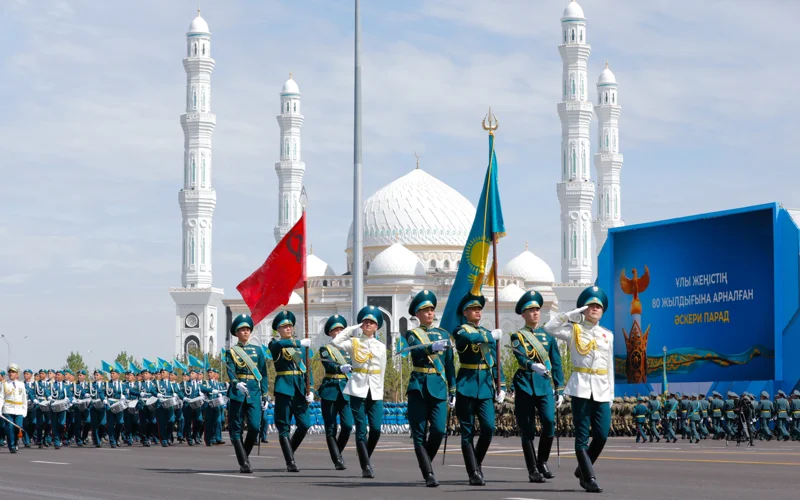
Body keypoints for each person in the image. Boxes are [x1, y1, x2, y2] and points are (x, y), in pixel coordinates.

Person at [543, 285, 614, 493]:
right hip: (581, 387)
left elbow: (608, 366)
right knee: (582, 436)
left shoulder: (606, 335)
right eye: (590, 305)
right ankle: (588, 477)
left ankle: (582, 468)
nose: (594, 309)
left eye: (598, 306)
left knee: (601, 435)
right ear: (583, 309)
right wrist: (569, 315)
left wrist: (611, 394)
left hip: (601, 388)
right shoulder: (574, 330)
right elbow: (549, 328)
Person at [509, 290, 564, 482]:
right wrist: (532, 365)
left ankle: (542, 461)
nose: (535, 313)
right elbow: (521, 357)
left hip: (543, 386)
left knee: (549, 423)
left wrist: (560, 388)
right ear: (523, 314)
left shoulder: (548, 337)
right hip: (525, 385)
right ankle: (532, 469)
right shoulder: (517, 336)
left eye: (537, 310)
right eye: (530, 310)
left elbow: (556, 362)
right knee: (528, 429)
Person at [452, 292, 505, 486]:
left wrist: (502, 383)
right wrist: (491, 336)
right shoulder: (460, 330)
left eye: (479, 309)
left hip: (484, 388)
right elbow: (469, 339)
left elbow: (494, 360)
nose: (478, 312)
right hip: (466, 385)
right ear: (465, 312)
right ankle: (473, 472)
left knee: (488, 428)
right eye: (474, 309)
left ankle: (476, 461)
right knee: (467, 432)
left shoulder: (485, 332)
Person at [404, 290, 456, 487]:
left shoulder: (444, 334)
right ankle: (428, 472)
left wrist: (453, 390)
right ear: (417, 314)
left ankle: (425, 461)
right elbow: (416, 351)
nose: (429, 313)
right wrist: (432, 348)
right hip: (419, 386)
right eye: (424, 310)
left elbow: (450, 365)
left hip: (438, 385)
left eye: (431, 310)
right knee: (418, 433)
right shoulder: (412, 334)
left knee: (438, 430)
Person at [332, 305, 387, 479]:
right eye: (365, 322)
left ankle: (365, 457)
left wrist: (381, 391)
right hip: (358, 389)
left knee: (377, 429)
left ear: (377, 326)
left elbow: (383, 370)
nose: (368, 324)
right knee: (361, 429)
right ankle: (366, 466)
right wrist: (353, 328)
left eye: (372, 322)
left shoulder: (380, 346)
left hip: (375, 390)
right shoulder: (354, 342)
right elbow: (336, 342)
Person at [269, 310, 315, 473]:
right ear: (278, 330)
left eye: (290, 326)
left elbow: (307, 369)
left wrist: (312, 389)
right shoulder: (275, 345)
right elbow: (279, 346)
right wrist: (299, 343)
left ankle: (289, 451)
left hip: (300, 389)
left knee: (304, 424)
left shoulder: (302, 347)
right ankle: (290, 461)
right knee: (284, 427)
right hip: (284, 388)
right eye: (284, 326)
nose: (288, 328)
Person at [225, 313, 270, 473]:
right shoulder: (231, 352)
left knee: (254, 427)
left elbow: (264, 374)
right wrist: (236, 383)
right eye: (241, 329)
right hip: (238, 392)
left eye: (247, 329)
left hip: (254, 392)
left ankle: (244, 455)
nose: (245, 332)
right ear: (236, 333)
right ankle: (244, 463)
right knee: (236, 429)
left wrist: (265, 394)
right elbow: (230, 370)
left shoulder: (258, 351)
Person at [318, 314, 356, 470]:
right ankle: (337, 459)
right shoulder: (325, 349)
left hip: (346, 389)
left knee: (347, 425)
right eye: (335, 330)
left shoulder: (350, 349)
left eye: (341, 329)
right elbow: (329, 365)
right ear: (330, 333)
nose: (339, 332)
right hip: (330, 390)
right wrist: (340, 368)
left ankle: (336, 453)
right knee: (331, 427)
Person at [2, 364, 28, 453]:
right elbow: (1, 397)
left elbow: (24, 398)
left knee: (18, 427)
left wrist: (25, 410)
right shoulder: (5, 384)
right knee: (9, 428)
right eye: (10, 372)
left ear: (17, 374)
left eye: (13, 372)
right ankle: (12, 446)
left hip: (19, 409)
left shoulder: (21, 384)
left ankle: (16, 440)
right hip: (8, 409)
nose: (11, 374)